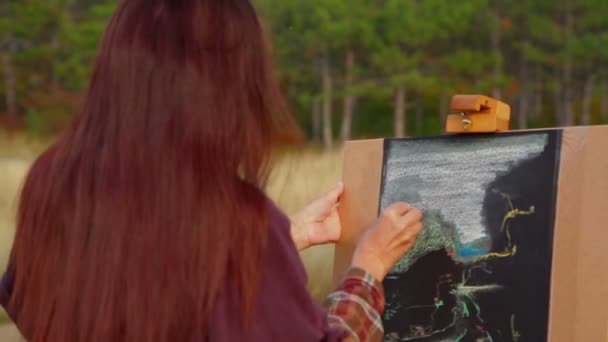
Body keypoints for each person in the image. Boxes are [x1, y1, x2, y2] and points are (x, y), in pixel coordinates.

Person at [0, 0, 423, 341]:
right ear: (234, 84)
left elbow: (56, 298)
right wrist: (368, 267)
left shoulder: (53, 181)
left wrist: (285, 238)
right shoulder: (237, 223)